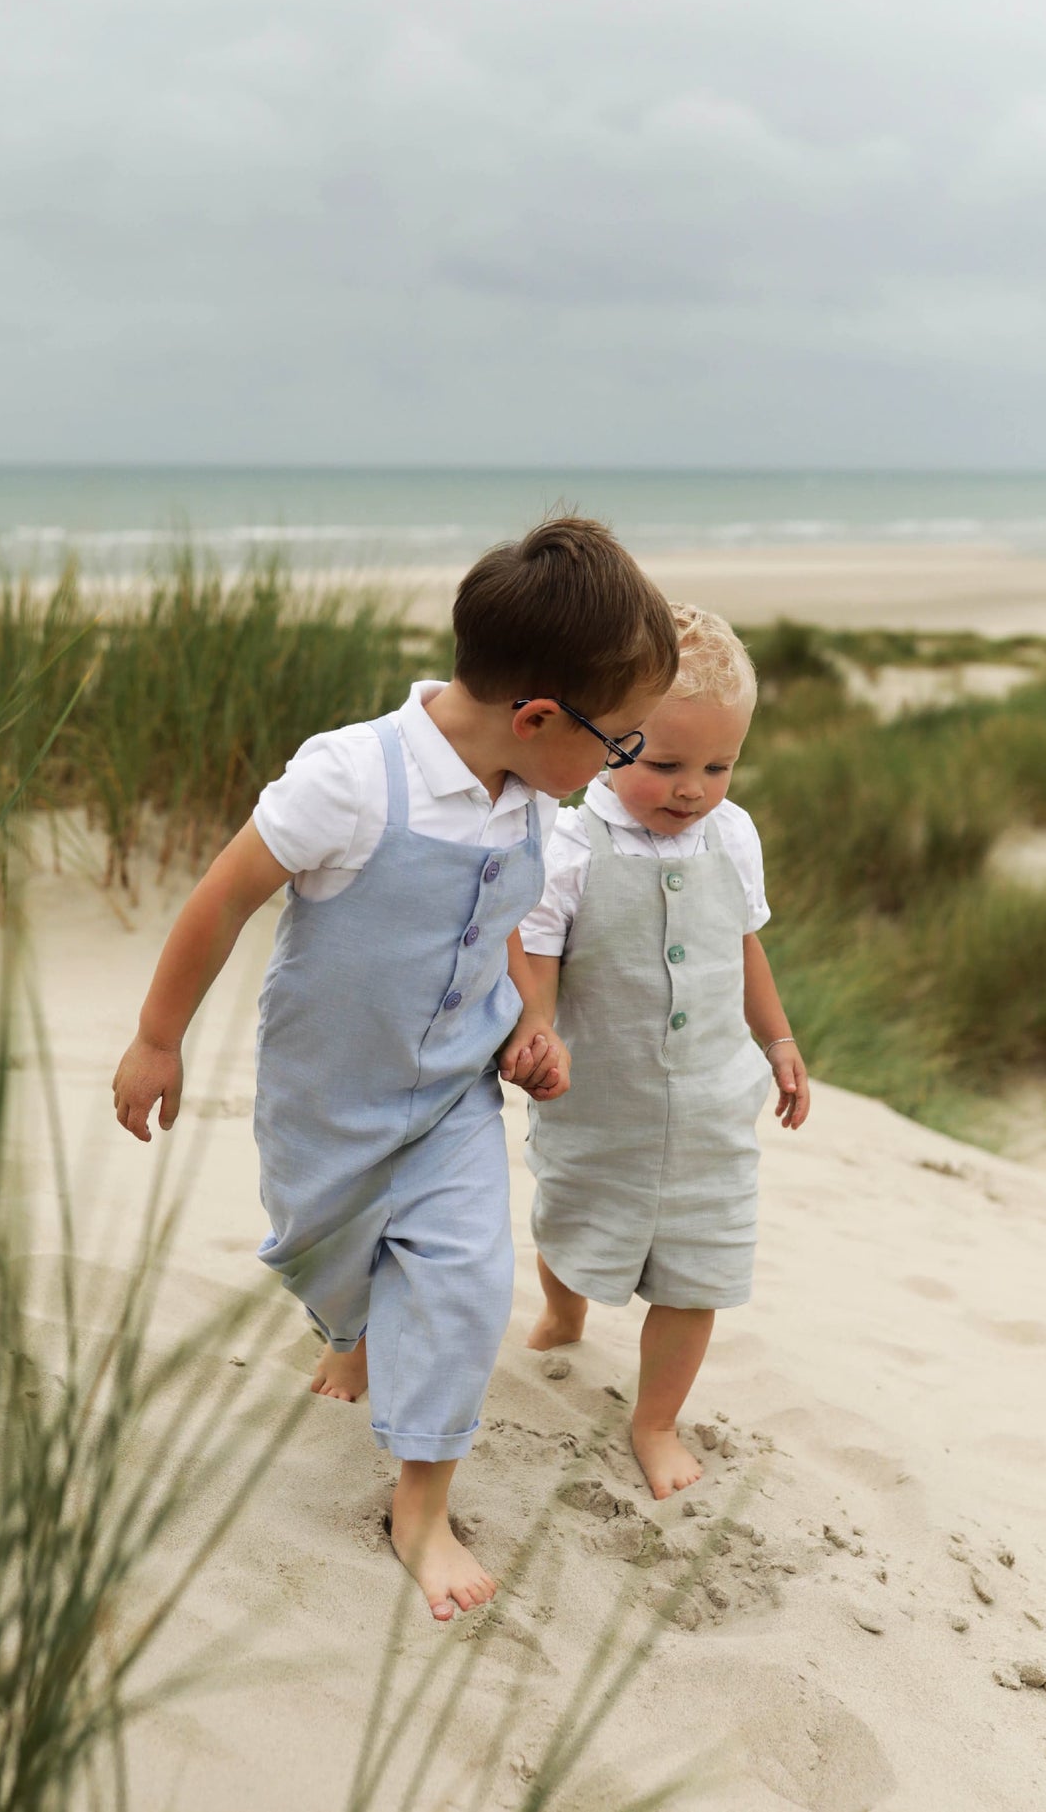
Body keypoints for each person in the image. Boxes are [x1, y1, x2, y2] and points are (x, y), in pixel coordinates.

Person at [111, 518, 677, 1619]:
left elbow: (507, 920)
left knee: (463, 1281)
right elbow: (221, 897)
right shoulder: (352, 779)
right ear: (536, 717)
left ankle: (421, 1502)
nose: (618, 766)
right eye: (618, 744)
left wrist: (526, 1022)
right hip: (327, 1099)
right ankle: (349, 1329)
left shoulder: (528, 791)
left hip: (452, 1102)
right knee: (322, 1252)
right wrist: (157, 1036)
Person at [518, 603, 810, 1501]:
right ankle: (564, 1307)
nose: (693, 787)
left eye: (718, 765)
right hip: (599, 1101)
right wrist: (536, 1028)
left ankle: (654, 1419)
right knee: (570, 1226)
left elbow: (743, 944)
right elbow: (533, 947)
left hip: (712, 1109)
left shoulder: (733, 833)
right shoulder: (569, 845)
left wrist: (779, 1037)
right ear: (608, 743)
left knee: (699, 1268)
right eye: (665, 763)